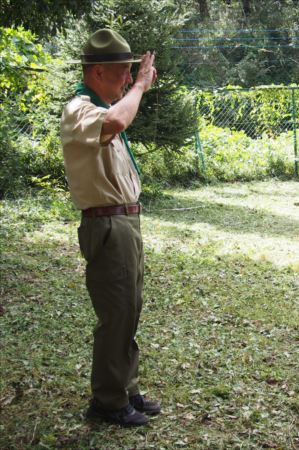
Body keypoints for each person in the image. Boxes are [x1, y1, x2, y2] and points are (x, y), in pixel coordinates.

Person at [60, 29, 159, 426]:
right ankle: (107, 402)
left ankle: (125, 388)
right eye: (121, 73)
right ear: (97, 71)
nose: (125, 81)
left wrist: (134, 87)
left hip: (124, 222)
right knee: (116, 313)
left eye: (129, 73)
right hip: (107, 226)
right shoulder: (81, 110)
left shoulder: (101, 109)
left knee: (129, 310)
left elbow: (117, 117)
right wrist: (138, 87)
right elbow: (118, 120)